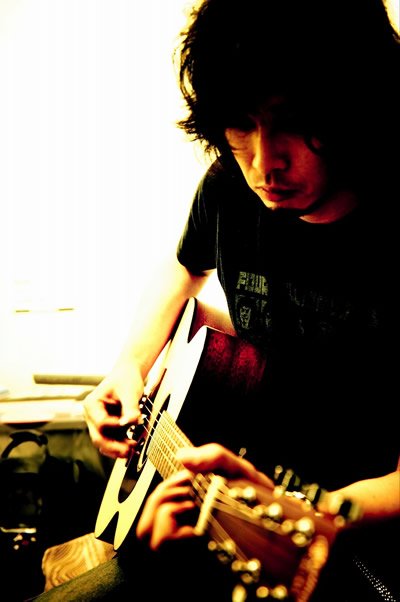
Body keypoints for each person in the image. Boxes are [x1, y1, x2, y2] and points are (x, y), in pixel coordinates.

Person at [34, 0, 400, 600]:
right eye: (240, 124)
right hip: (230, 509)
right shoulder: (228, 190)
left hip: (362, 547)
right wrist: (129, 366)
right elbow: (185, 266)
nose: (264, 162)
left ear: (355, 106)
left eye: (292, 120)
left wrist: (315, 515)